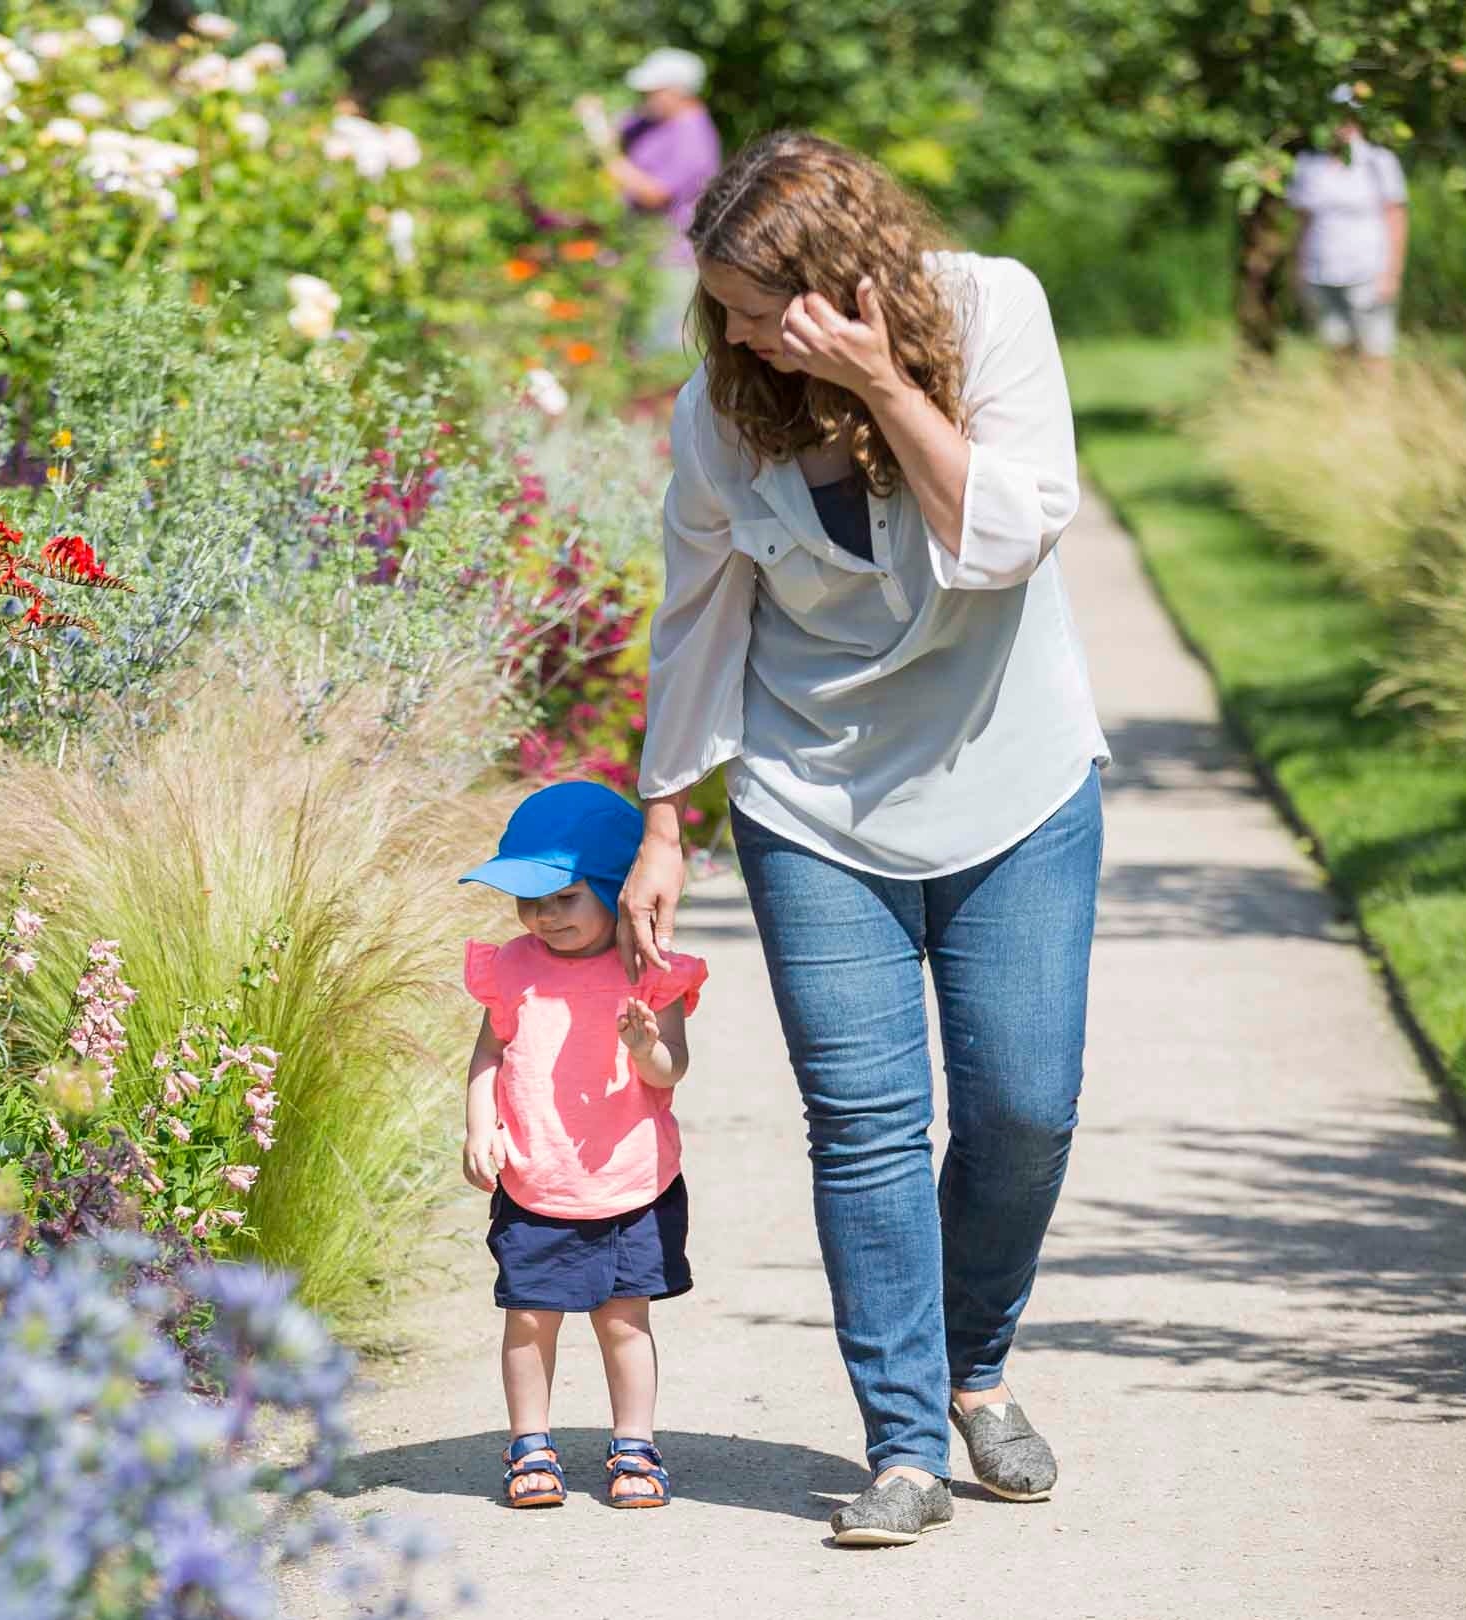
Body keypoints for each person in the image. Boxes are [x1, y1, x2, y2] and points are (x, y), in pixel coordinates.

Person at [617, 131, 1104, 1548]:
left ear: (851, 275)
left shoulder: (992, 309)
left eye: (773, 308)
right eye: (728, 311)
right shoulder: (724, 412)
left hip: (1009, 771)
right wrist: (667, 824)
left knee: (1024, 1107)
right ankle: (902, 1443)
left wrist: (882, 382)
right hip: (812, 792)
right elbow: (701, 611)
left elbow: (1013, 539)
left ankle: (976, 1362)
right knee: (868, 1126)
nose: (750, 337)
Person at [459, 780, 711, 1511]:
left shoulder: (650, 970)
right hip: (536, 1178)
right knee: (529, 1319)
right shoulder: (513, 966)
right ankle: (529, 1444)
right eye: (528, 899)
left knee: (624, 1320)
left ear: (613, 885)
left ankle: (634, 1443)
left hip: (632, 1182)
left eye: (564, 897)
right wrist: (481, 1127)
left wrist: (642, 1047)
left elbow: (672, 1071)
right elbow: (489, 1055)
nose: (542, 915)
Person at [580, 48, 722, 359]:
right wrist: (594, 118)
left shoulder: (694, 135)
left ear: (677, 92)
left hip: (670, 253)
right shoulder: (650, 121)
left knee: (659, 342)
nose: (645, 97)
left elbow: (655, 193)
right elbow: (610, 131)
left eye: (652, 91)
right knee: (625, 334)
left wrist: (609, 157)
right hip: (637, 245)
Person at [1288, 85, 1409, 367]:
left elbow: (1396, 217)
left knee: (1374, 351)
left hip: (1367, 268)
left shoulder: (1379, 161)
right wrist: (1299, 268)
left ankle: (1375, 410)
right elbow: (1303, 222)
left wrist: (1392, 272)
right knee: (1335, 348)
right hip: (1322, 272)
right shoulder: (1309, 164)